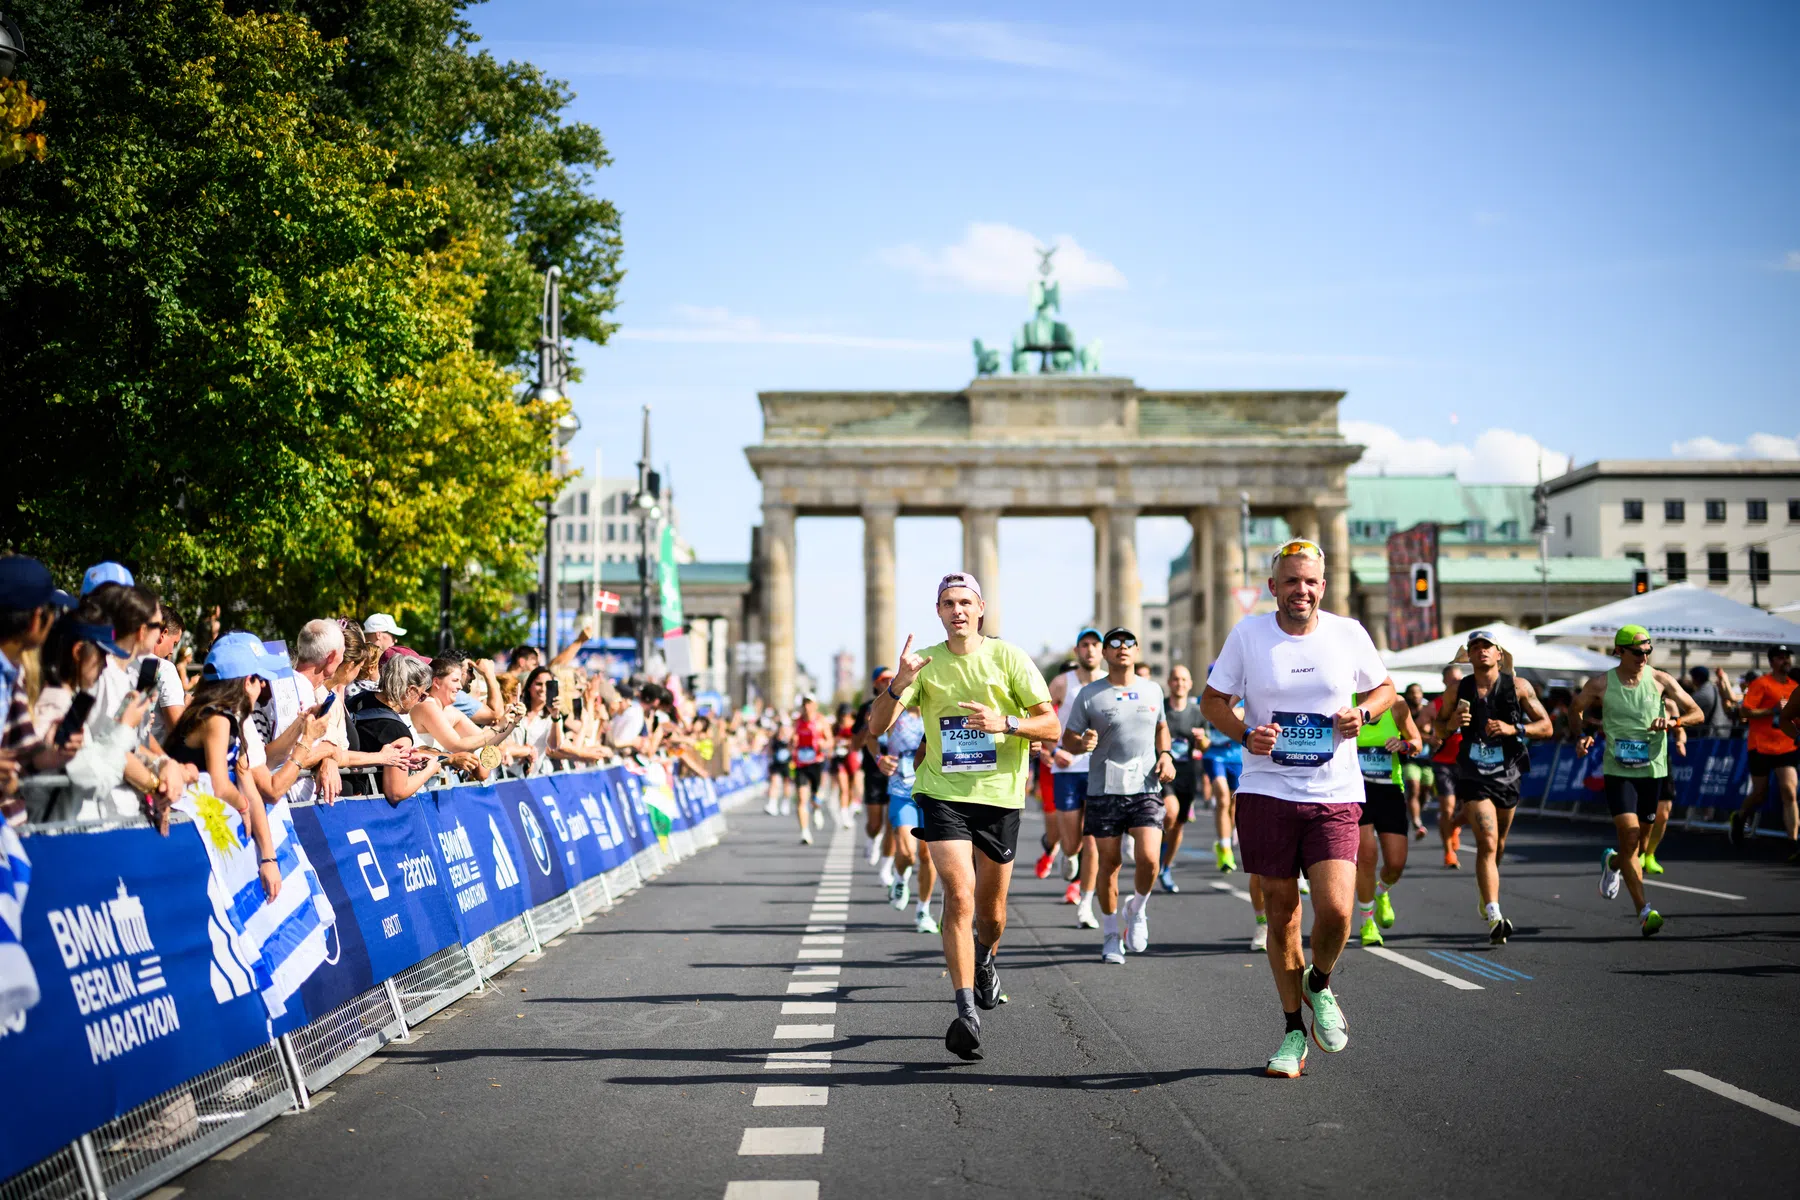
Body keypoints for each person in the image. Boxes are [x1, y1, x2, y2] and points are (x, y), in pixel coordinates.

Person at [1201, 539, 1394, 1080]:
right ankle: (1291, 1031)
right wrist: (1246, 734)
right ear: (1273, 587)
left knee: (1337, 910)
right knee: (1283, 911)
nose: (1300, 590)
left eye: (1310, 581)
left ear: (1323, 587)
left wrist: (1364, 713)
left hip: (1334, 791)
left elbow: (1384, 689)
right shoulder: (1249, 635)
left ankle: (1319, 981)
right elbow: (1212, 701)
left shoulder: (1348, 633)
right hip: (1268, 790)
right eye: (1290, 581)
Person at [865, 573, 1059, 1062]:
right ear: (938, 611)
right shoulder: (925, 663)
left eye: (965, 602)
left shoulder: (1009, 657)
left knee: (991, 915)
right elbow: (877, 726)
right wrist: (899, 684)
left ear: (981, 608)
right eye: (948, 603)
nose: (958, 611)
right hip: (941, 792)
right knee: (959, 894)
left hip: (999, 796)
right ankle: (965, 1010)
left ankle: (986, 958)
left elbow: (1051, 724)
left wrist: (1006, 723)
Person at [1569, 625, 1702, 936]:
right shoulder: (1601, 684)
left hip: (1652, 770)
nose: (1644, 657)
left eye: (1648, 651)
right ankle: (1644, 910)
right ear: (1620, 651)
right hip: (1618, 770)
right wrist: (1582, 736)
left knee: (1640, 844)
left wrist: (1673, 722)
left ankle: (1613, 863)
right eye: (1637, 652)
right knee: (1630, 836)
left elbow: (1697, 713)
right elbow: (1575, 710)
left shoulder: (1660, 680)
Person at [1061, 628, 1173, 963]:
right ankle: (1111, 934)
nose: (1121, 648)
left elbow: (1162, 726)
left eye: (1128, 643)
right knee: (1109, 864)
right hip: (1104, 790)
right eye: (1114, 644)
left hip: (1145, 787)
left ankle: (1137, 909)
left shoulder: (1152, 689)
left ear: (1136, 651)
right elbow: (1069, 739)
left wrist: (1166, 755)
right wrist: (1082, 744)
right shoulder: (1090, 694)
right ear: (1105, 653)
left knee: (1150, 858)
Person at [1436, 630, 1553, 944]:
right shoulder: (1458, 689)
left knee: (1499, 844)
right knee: (1487, 841)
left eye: (1487, 646)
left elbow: (1547, 726)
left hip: (1508, 773)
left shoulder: (1519, 686)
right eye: (1475, 647)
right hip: (1473, 774)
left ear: (1499, 654)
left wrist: (1514, 728)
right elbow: (1438, 728)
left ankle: (1486, 892)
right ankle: (1494, 914)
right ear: (1469, 655)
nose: (1481, 651)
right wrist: (1451, 725)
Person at [163, 634, 289, 899]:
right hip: (177, 835)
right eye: (259, 678)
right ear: (245, 682)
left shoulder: (233, 719)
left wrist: (269, 858)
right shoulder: (217, 719)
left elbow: (249, 787)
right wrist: (242, 807)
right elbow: (221, 786)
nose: (263, 685)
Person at [1354, 687, 1423, 947]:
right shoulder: (1345, 701)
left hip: (1389, 790)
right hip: (1356, 791)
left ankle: (1381, 891)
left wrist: (1404, 745)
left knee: (1395, 863)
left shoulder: (1396, 704)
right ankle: (1367, 922)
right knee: (1366, 855)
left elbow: (1417, 742)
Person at [1044, 629, 1103, 924]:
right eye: (1085, 645)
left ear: (1102, 650)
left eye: (1095, 645)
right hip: (1067, 769)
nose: (1090, 650)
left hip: (1099, 771)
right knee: (1073, 843)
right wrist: (1054, 751)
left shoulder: (1110, 683)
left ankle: (1086, 904)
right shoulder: (1061, 683)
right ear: (1077, 650)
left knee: (1092, 841)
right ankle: (1068, 855)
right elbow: (1041, 720)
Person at [346, 654, 449, 802]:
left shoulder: (358, 700)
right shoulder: (398, 733)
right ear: (410, 690)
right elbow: (396, 792)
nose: (419, 702)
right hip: (368, 804)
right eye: (421, 696)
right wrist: (430, 769)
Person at [1730, 645, 1797, 858]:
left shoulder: (1795, 686)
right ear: (1772, 661)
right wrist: (1772, 710)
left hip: (1786, 746)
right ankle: (1740, 817)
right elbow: (1745, 711)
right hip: (1761, 746)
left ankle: (1793, 842)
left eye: (1787, 657)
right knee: (1760, 792)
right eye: (1781, 657)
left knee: (1789, 791)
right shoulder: (1761, 683)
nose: (1786, 661)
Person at [878, 701, 940, 931]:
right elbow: (870, 734)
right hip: (901, 791)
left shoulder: (939, 709)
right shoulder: (895, 712)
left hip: (933, 792)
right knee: (907, 853)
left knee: (928, 856)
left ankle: (923, 911)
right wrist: (879, 758)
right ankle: (900, 877)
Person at [1158, 663, 1206, 893]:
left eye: (1184, 679)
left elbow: (1205, 746)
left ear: (1190, 684)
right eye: (1176, 679)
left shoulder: (1197, 712)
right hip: (1163, 772)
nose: (1180, 683)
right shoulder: (1161, 708)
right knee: (1171, 812)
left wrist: (1202, 739)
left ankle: (1165, 867)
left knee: (1178, 826)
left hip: (1188, 774)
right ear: (1169, 683)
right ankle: (1157, 852)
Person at [853, 668, 896, 878]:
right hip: (874, 770)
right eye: (884, 679)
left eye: (892, 678)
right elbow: (854, 744)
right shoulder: (865, 708)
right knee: (875, 823)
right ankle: (872, 838)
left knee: (893, 823)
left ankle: (886, 867)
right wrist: (867, 725)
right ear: (875, 683)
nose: (889, 682)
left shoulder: (902, 704)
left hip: (897, 771)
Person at [1430, 664, 1465, 868]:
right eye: (1452, 680)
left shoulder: (1471, 702)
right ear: (1444, 681)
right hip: (1443, 763)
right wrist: (1430, 738)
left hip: (1467, 763)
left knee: (1468, 810)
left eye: (1459, 680)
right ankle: (1448, 853)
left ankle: (1453, 827)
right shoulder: (1435, 704)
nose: (1456, 683)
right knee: (1447, 809)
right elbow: (1417, 728)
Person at [791, 696, 831, 845]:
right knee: (802, 798)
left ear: (815, 705)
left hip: (816, 762)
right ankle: (805, 832)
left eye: (809, 703)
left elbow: (830, 741)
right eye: (804, 703)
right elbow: (791, 741)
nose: (806, 706)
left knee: (816, 795)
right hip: (801, 764)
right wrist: (792, 742)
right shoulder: (797, 722)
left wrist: (823, 744)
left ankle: (817, 809)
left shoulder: (821, 721)